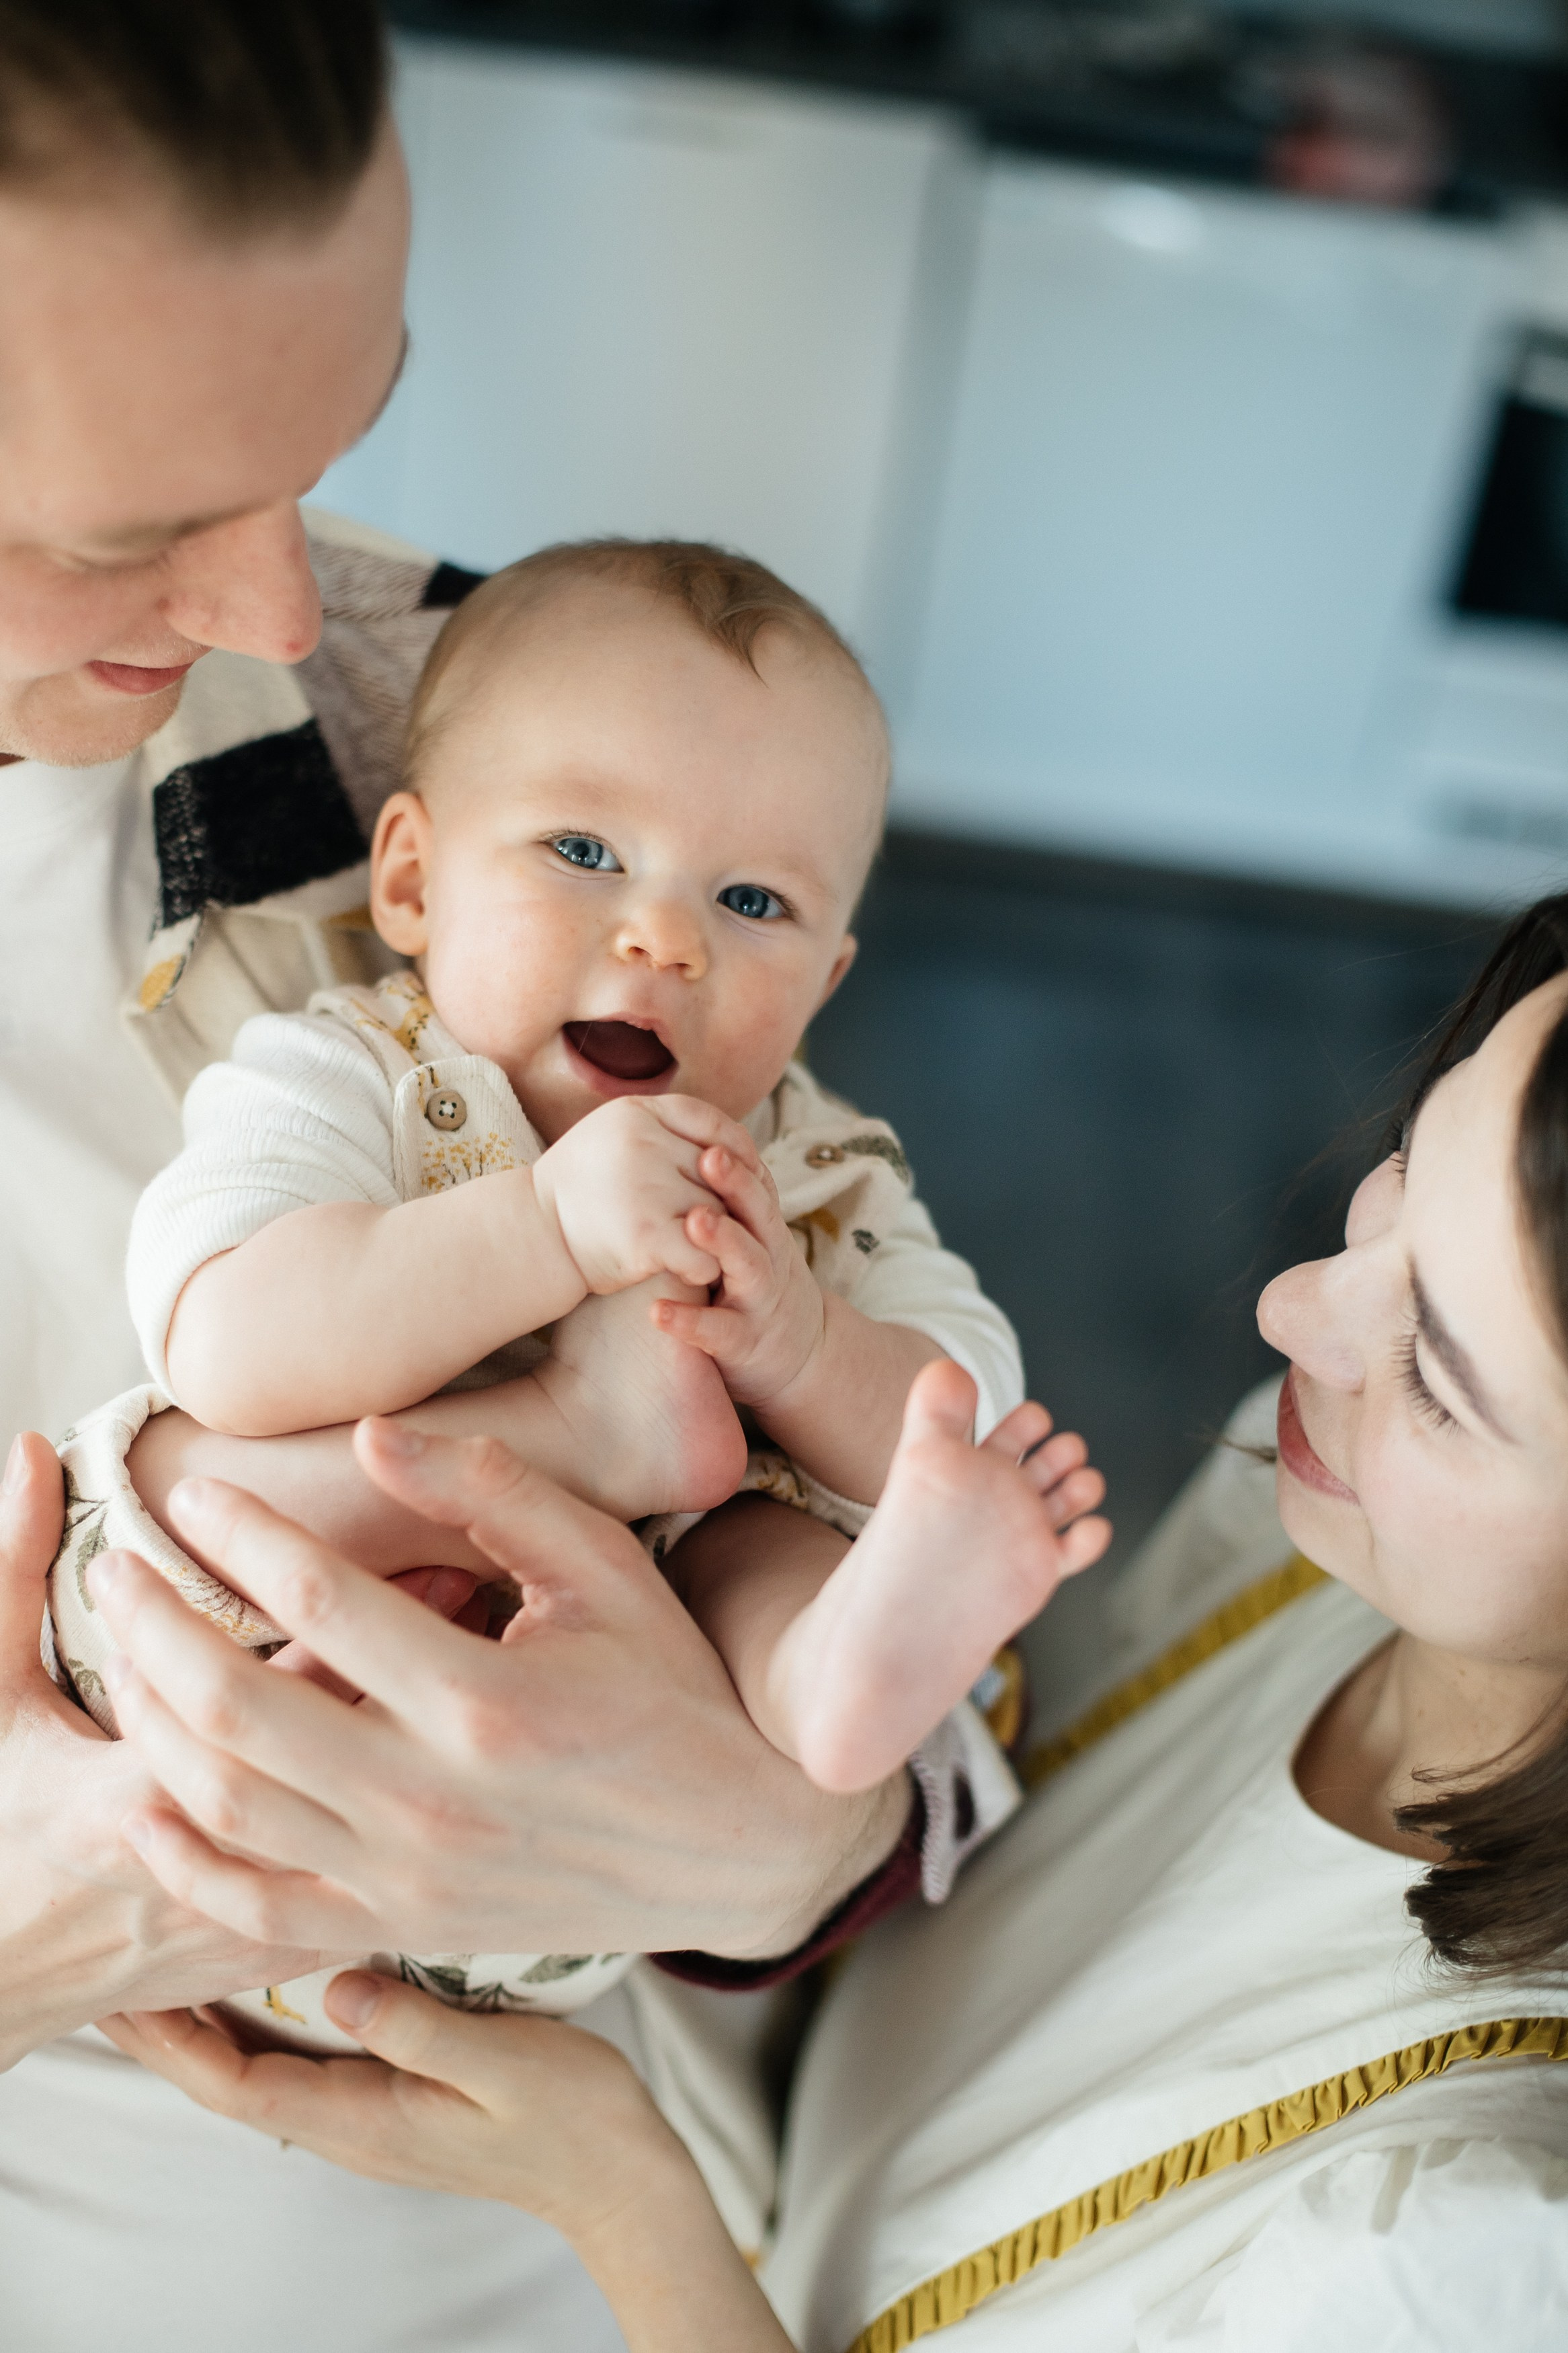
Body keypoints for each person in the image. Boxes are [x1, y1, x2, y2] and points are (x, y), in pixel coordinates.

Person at [0, 8, 1018, 2346]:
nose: (283, 617)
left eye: (333, 439)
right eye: (130, 529)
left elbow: (894, 1470)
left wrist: (794, 1837)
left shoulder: (503, 710)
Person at [99, 898, 1568, 2348]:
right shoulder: (1324, 1509)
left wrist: (612, 2184)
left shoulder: (1468, 2252)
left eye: (1437, 1372)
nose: (1294, 1307)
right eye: (1402, 1168)